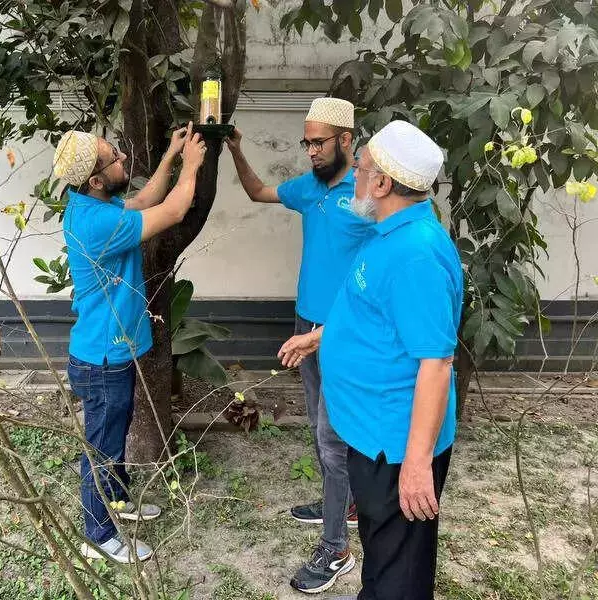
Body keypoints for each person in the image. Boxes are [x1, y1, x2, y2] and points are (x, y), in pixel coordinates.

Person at [279, 120, 464, 600]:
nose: (354, 177)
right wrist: (320, 337)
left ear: (382, 184)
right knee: (382, 554)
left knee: (400, 570)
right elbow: (372, 318)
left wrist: (418, 464)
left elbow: (436, 363)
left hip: (396, 444)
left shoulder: (416, 255)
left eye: (360, 169)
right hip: (369, 435)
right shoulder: (386, 233)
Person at [226, 98, 374, 594]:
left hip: (343, 333)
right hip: (303, 324)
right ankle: (344, 504)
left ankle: (337, 550)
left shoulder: (369, 194)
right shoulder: (309, 189)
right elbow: (257, 191)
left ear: (346, 141)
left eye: (319, 142)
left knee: (333, 438)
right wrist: (236, 151)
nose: (311, 151)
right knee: (316, 421)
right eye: (307, 143)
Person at [53, 123, 206, 564]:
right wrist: (192, 167)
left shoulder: (93, 204)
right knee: (102, 447)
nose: (123, 158)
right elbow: (172, 211)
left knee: (113, 438)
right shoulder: (97, 222)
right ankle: (98, 535)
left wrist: (171, 157)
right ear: (97, 180)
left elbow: (142, 201)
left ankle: (117, 504)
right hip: (102, 358)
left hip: (111, 350)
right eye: (114, 157)